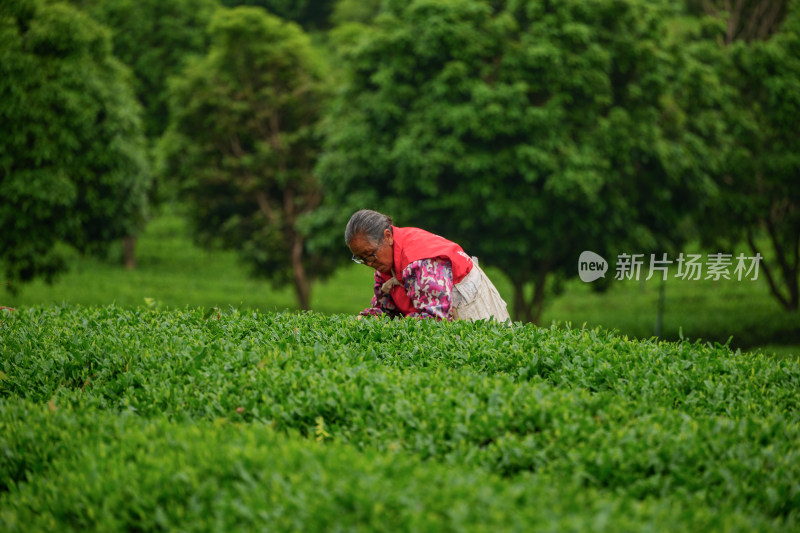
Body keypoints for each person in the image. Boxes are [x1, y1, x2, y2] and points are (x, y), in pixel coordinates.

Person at [345, 209, 510, 322]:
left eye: (369, 255)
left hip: (471, 311)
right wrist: (364, 320)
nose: (368, 263)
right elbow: (386, 309)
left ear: (387, 236)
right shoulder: (384, 262)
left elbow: (434, 320)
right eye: (361, 259)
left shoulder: (420, 262)